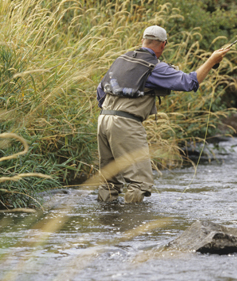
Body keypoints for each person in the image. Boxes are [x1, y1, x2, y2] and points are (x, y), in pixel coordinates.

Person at [96, 25, 229, 203]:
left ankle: (106, 225)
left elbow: (100, 91)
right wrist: (212, 60)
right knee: (139, 183)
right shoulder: (155, 67)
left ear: (143, 41)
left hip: (103, 119)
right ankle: (132, 227)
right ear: (163, 45)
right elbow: (190, 82)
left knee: (108, 181)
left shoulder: (121, 60)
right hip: (126, 123)